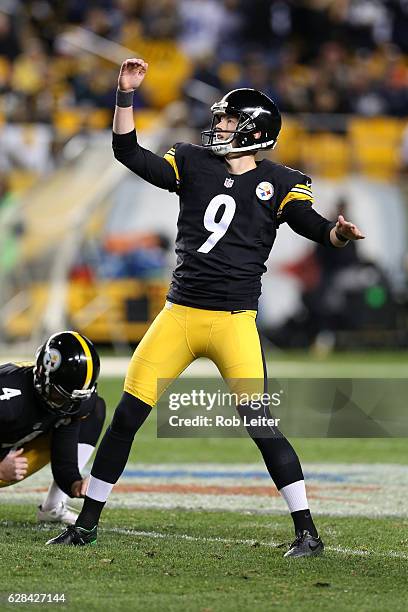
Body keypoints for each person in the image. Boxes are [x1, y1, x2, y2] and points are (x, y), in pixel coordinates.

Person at [47, 59, 364, 556]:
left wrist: (336, 234)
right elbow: (126, 150)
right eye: (219, 118)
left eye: (228, 120)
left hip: (233, 321)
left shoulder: (283, 182)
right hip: (179, 314)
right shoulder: (192, 163)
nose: (218, 126)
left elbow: (310, 224)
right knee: (127, 416)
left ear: (254, 130)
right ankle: (86, 524)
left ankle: (308, 531)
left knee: (261, 426)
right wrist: (125, 94)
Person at [0, 331, 105, 524]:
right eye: (61, 396)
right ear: (42, 377)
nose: (68, 405)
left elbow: (64, 455)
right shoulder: (9, 398)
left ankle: (54, 506)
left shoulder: (73, 403)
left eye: (74, 398)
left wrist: (75, 484)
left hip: (13, 449)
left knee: (95, 409)